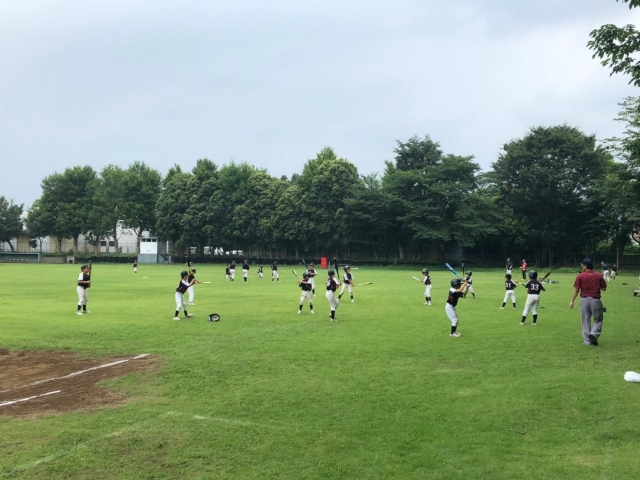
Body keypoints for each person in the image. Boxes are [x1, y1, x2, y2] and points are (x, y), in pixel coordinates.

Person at [570, 258, 607, 346]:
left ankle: (587, 341)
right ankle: (594, 333)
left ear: (585, 266)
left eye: (582, 265)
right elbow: (604, 288)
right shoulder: (599, 275)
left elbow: (576, 290)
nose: (582, 267)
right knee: (598, 319)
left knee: (585, 320)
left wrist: (572, 301)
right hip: (595, 300)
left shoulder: (580, 276)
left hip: (584, 300)